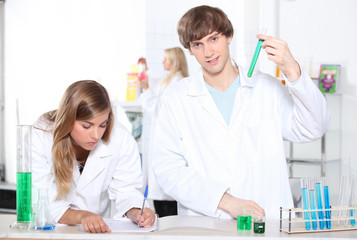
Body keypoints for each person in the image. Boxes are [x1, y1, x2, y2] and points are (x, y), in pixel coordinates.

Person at [151, 5, 330, 220]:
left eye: (214, 39)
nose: (208, 53)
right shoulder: (176, 98)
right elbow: (167, 169)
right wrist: (225, 201)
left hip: (267, 223)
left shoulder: (267, 89)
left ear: (229, 36)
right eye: (198, 44)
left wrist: (292, 69)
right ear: (189, 49)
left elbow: (314, 127)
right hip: (207, 225)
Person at [31, 80, 156, 233]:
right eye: (87, 126)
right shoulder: (41, 136)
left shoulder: (120, 138)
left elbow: (126, 190)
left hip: (95, 233)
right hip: (52, 231)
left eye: (103, 125)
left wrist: (137, 212)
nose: (96, 135)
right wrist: (82, 216)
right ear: (68, 119)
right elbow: (42, 200)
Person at [138, 47, 189, 217]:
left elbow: (161, 107)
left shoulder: (178, 82)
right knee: (161, 199)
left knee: (166, 205)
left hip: (170, 143)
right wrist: (144, 70)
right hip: (162, 140)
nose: (163, 62)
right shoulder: (170, 81)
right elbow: (156, 85)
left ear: (174, 61)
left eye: (166, 59)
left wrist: (145, 91)